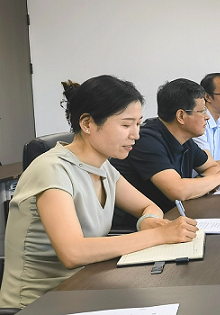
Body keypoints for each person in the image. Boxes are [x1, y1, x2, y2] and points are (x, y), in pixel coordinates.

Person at [0, 76, 198, 310]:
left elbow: (147, 206)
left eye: (138, 124)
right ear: (87, 124)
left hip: (86, 287)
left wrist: (148, 221)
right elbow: (73, 253)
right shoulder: (51, 169)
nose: (136, 134)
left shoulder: (104, 167)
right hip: (40, 303)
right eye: (126, 125)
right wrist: (158, 235)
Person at [111, 78, 220, 229]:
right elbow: (178, 191)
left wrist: (204, 184)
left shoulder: (185, 140)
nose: (207, 117)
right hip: (134, 229)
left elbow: (211, 166)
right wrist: (218, 178)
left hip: (170, 220)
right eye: (202, 111)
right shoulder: (146, 141)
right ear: (181, 116)